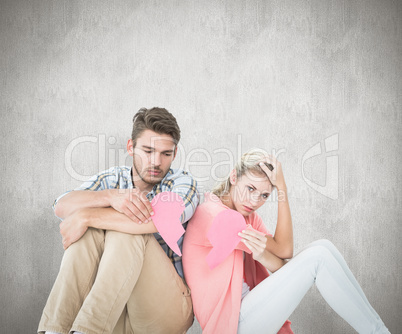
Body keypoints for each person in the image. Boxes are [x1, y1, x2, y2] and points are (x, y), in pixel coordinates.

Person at [182, 148, 391, 334]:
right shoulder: (214, 214)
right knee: (318, 257)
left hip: (249, 313)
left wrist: (281, 190)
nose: (254, 201)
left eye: (264, 195)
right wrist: (266, 256)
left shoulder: (247, 217)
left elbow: (283, 255)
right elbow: (283, 252)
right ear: (234, 176)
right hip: (232, 324)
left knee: (323, 247)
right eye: (251, 188)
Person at [38, 107, 199, 334]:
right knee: (91, 231)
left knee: (127, 228)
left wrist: (87, 215)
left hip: (167, 310)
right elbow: (61, 205)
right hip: (117, 311)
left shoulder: (181, 182)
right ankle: (56, 330)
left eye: (166, 153)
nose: (157, 162)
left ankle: (87, 330)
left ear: (174, 153)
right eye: (148, 150)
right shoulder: (113, 179)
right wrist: (109, 196)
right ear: (131, 147)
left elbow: (162, 221)